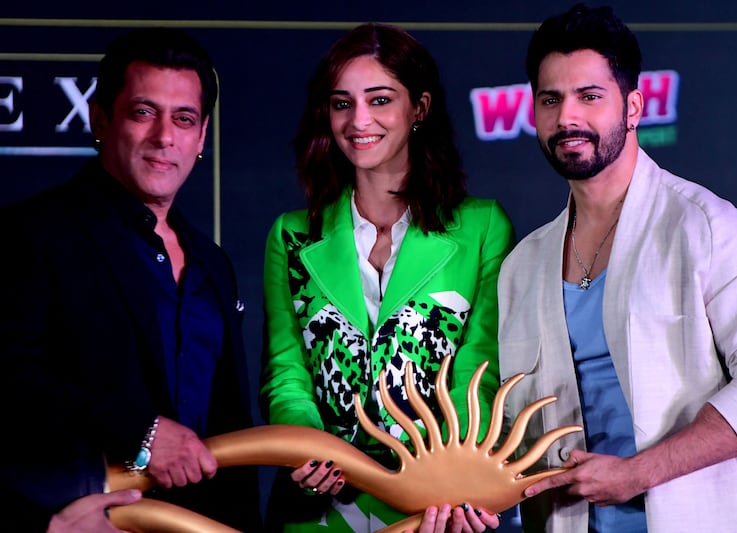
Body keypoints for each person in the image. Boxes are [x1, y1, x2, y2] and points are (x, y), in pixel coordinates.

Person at [498, 4, 737, 533]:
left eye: (590, 97)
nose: (568, 118)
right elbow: (509, 430)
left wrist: (638, 474)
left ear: (634, 107)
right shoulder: (523, 264)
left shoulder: (707, 226)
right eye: (551, 99)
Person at [0, 28, 261, 532]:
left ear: (202, 136)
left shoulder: (213, 265)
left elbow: (229, 432)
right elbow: (11, 379)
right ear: (101, 119)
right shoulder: (31, 235)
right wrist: (138, 432)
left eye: (183, 119)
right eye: (144, 112)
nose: (164, 136)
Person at [260, 23, 512, 533]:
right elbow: (287, 374)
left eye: (379, 100)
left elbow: (477, 374)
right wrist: (309, 450)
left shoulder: (483, 226)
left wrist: (456, 479)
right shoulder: (291, 236)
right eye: (341, 103)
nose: (359, 120)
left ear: (419, 108)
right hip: (317, 510)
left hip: (436, 509)